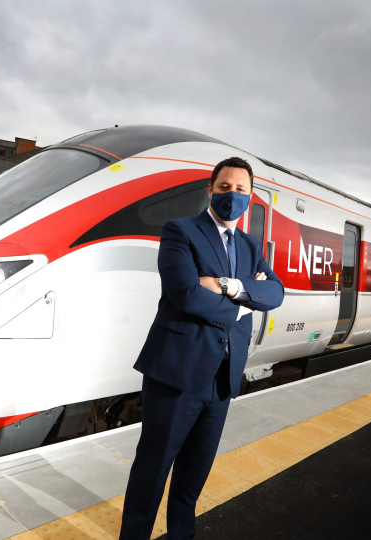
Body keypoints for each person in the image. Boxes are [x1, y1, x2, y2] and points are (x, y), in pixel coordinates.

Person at [119, 156, 285, 539]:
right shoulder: (181, 231)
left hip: (222, 378)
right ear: (210, 190)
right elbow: (187, 295)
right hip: (178, 373)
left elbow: (274, 292)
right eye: (225, 187)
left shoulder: (249, 244)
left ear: (251, 196)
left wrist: (228, 286)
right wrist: (245, 304)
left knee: (194, 475)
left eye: (241, 190)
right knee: (153, 470)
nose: (233, 195)